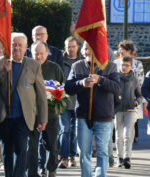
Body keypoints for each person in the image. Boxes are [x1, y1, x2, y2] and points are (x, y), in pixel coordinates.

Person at [0, 32, 48, 177]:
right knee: (7, 151)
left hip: (23, 116)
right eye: (14, 44)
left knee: (21, 149)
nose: (17, 48)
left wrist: (43, 118)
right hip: (4, 115)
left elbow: (41, 94)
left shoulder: (34, 65)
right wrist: (3, 71)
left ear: (26, 47)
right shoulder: (0, 61)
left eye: (20, 45)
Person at [65, 42, 120, 177]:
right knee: (84, 152)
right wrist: (81, 83)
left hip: (104, 116)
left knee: (102, 152)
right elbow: (68, 88)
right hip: (83, 116)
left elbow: (117, 88)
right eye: (85, 49)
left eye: (91, 49)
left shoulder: (111, 66)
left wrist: (101, 80)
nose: (87, 52)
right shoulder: (77, 66)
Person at [27, 41, 64, 177]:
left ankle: (51, 169)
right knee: (31, 145)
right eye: (36, 53)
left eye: (42, 53)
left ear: (47, 53)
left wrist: (55, 97)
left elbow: (62, 88)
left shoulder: (55, 68)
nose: (39, 56)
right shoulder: (27, 67)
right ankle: (32, 172)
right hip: (31, 115)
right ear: (31, 53)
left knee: (52, 145)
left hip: (51, 115)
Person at [114, 56, 142, 169]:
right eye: (122, 65)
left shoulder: (134, 79)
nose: (124, 67)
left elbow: (139, 95)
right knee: (119, 135)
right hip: (118, 110)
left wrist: (136, 102)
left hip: (130, 109)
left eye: (127, 65)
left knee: (128, 135)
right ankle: (119, 158)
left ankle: (127, 158)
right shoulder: (115, 78)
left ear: (131, 67)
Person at [58, 36, 81, 169]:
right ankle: (64, 157)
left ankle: (72, 155)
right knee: (65, 130)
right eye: (68, 47)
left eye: (73, 46)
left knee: (74, 131)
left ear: (77, 47)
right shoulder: (60, 61)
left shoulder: (83, 61)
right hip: (63, 101)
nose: (71, 49)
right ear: (64, 47)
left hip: (78, 101)